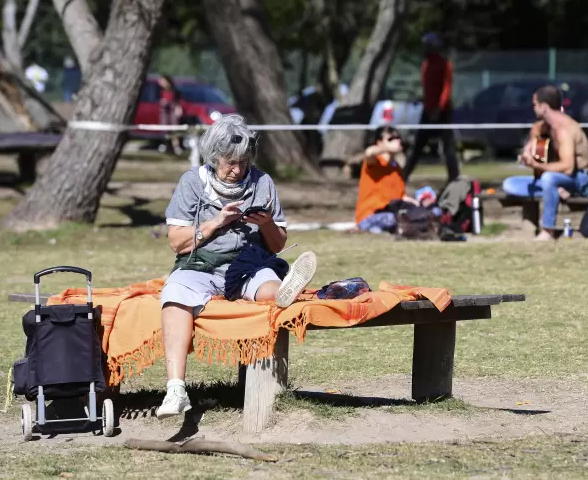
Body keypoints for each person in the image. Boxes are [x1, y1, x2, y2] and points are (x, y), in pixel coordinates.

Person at [158, 114, 318, 418]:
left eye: (244, 162)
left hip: (248, 264)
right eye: (230, 162)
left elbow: (278, 243)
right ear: (213, 157)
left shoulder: (262, 182)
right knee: (175, 293)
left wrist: (267, 223)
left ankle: (287, 289)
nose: (238, 169)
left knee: (271, 288)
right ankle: (176, 389)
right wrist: (219, 220)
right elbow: (177, 242)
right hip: (200, 265)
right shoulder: (193, 182)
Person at [501, 84, 588, 242]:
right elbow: (537, 129)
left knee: (549, 178)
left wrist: (536, 166)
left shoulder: (564, 129)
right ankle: (556, 190)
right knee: (510, 184)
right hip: (558, 178)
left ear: (544, 106)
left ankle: (548, 230)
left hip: (578, 179)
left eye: (534, 104)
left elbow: (568, 168)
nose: (533, 108)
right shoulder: (549, 125)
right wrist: (531, 146)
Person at [402, 32, 460, 183]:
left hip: (442, 111)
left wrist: (439, 108)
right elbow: (427, 88)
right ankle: (403, 176)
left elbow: (446, 88)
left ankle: (454, 178)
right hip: (428, 110)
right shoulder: (426, 65)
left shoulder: (445, 64)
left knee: (448, 146)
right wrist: (425, 103)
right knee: (418, 145)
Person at [355, 126, 421, 233]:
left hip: (391, 211)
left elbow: (400, 196)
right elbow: (369, 152)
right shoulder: (374, 163)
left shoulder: (396, 168)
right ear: (379, 143)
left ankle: (379, 230)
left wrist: (416, 203)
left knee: (424, 213)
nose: (397, 141)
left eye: (398, 138)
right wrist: (387, 148)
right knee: (392, 218)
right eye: (391, 139)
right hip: (370, 215)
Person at [158, 74, 184, 155]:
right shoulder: (158, 90)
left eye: (163, 81)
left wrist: (178, 108)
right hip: (164, 111)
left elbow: (178, 101)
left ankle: (176, 147)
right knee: (166, 129)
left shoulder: (174, 90)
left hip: (172, 111)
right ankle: (167, 145)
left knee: (174, 129)